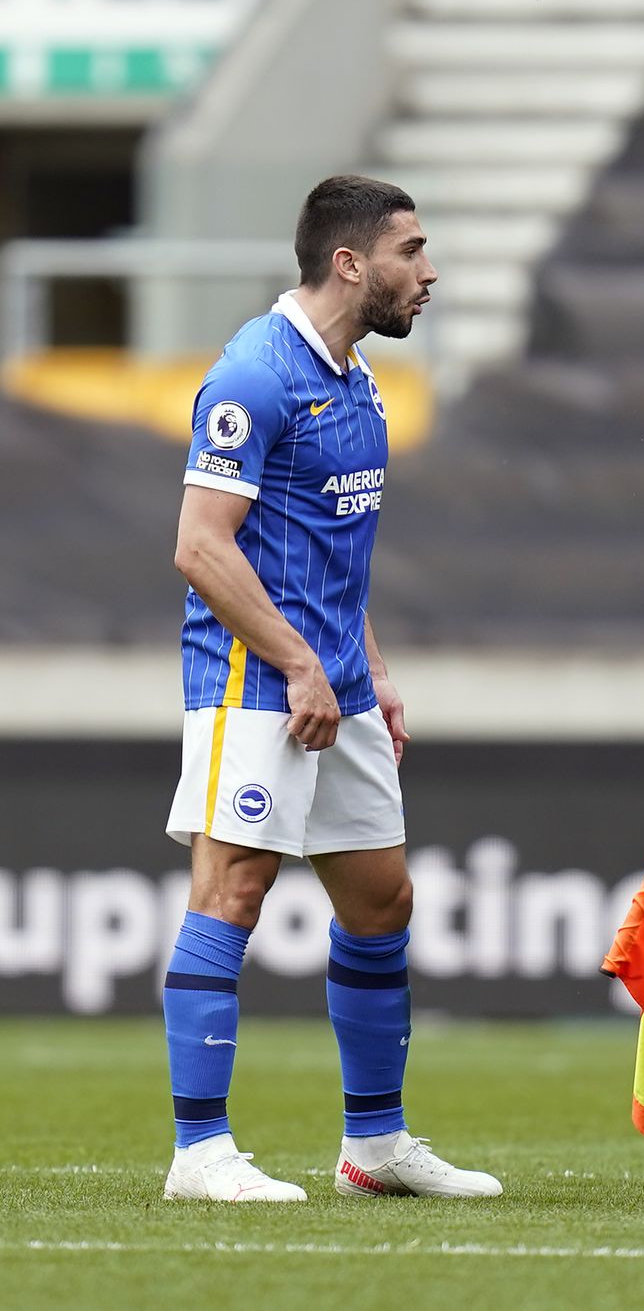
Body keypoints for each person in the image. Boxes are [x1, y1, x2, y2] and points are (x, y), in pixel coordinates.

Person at [161, 174, 501, 1203]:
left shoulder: (354, 379)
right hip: (250, 685)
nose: (428, 271)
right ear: (351, 262)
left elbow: (325, 554)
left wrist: (370, 669)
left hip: (338, 684)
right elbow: (199, 546)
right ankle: (200, 1151)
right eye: (412, 250)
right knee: (236, 888)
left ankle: (376, 1144)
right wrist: (299, 662)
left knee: (381, 897)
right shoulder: (252, 375)